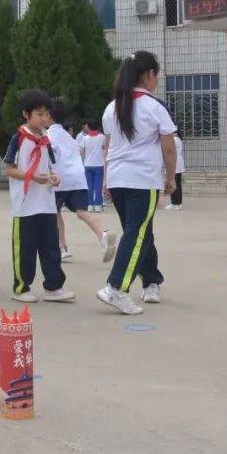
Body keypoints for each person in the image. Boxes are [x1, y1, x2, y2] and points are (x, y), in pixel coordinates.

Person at [96, 51, 178, 315]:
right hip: (142, 181)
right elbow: (168, 147)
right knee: (137, 233)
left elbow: (108, 147)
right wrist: (171, 177)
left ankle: (152, 281)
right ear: (150, 75)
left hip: (119, 180)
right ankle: (116, 288)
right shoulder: (155, 107)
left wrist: (107, 179)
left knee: (141, 232)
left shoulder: (112, 107)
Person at [2, 89, 74, 304]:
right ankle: (21, 287)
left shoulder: (46, 139)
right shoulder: (19, 138)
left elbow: (51, 165)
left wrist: (54, 177)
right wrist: (31, 176)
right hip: (25, 206)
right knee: (25, 249)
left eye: (47, 114)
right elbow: (9, 169)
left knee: (51, 247)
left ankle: (54, 287)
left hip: (46, 203)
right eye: (39, 114)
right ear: (26, 114)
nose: (44, 118)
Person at [47, 98, 118, 263]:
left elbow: (49, 158)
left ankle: (62, 246)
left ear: (48, 116)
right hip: (78, 179)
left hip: (59, 180)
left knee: (55, 212)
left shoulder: (48, 135)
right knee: (82, 212)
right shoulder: (70, 137)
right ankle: (103, 234)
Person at [80, 119, 106, 212]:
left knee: (89, 186)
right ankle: (98, 205)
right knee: (98, 185)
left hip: (87, 164)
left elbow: (82, 151)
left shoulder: (85, 138)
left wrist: (82, 161)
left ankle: (90, 205)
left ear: (89, 127)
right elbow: (104, 147)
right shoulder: (102, 137)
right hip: (99, 164)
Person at [165, 130, 185, 211]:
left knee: (173, 183)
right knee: (178, 184)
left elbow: (169, 151)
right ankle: (178, 203)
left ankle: (175, 203)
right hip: (178, 164)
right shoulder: (178, 139)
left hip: (174, 163)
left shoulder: (173, 139)